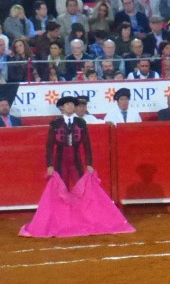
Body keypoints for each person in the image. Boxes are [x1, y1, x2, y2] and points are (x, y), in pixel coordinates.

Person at [21, 96, 134, 238]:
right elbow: (49, 146)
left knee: (83, 191)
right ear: (61, 107)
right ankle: (61, 222)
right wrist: (49, 164)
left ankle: (84, 219)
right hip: (60, 162)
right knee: (60, 193)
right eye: (67, 104)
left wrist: (89, 163)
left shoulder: (81, 123)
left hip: (76, 162)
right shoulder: (55, 124)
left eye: (72, 104)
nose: (70, 106)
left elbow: (87, 144)